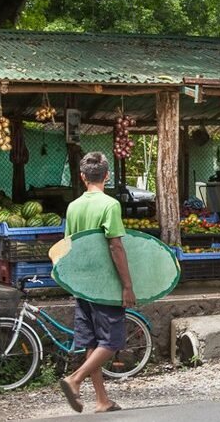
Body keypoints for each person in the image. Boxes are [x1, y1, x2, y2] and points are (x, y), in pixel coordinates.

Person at [59, 152, 136, 414]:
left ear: (82, 177)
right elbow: (116, 246)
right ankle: (75, 379)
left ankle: (102, 400)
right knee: (112, 341)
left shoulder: (73, 207)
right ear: (107, 176)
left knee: (92, 342)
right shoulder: (110, 205)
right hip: (105, 284)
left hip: (82, 283)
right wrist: (127, 285)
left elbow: (69, 246)